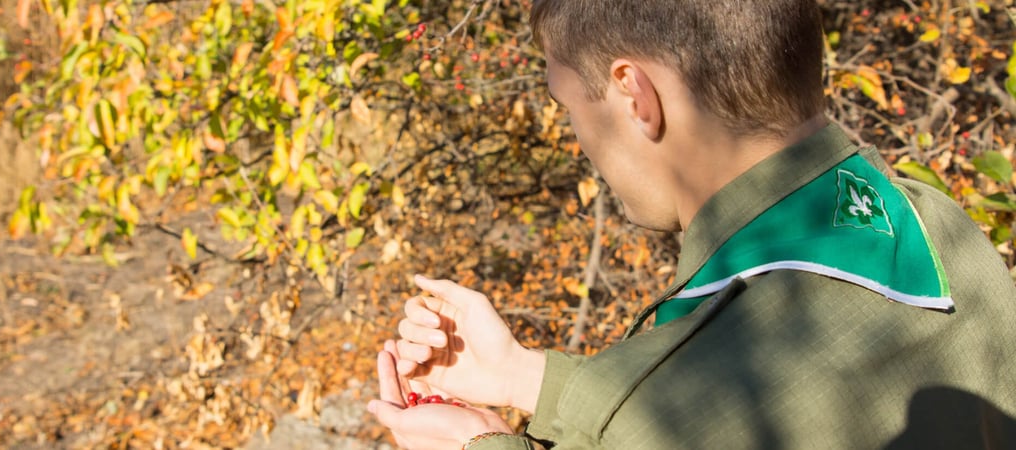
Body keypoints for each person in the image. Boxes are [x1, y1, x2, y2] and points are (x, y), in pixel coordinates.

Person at [367, 0, 1016, 448]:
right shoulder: (945, 234)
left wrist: (478, 444)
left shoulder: (660, 419)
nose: (577, 140)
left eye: (569, 105)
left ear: (634, 96)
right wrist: (522, 378)